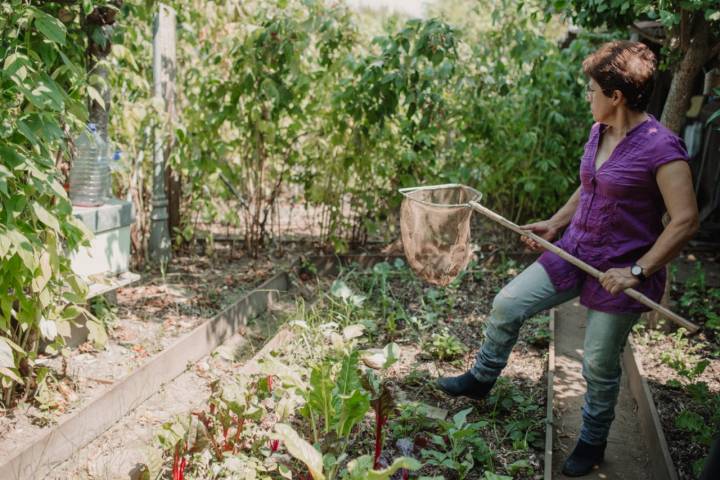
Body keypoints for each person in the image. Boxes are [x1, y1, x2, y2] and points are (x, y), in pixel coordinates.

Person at [436, 40, 699, 477]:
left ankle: (593, 441)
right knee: (507, 303)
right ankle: (482, 378)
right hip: (575, 249)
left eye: (593, 90)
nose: (588, 97)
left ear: (616, 96)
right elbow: (591, 185)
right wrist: (556, 223)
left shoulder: (661, 148)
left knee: (597, 361)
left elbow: (685, 220)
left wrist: (637, 271)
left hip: (619, 272)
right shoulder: (600, 132)